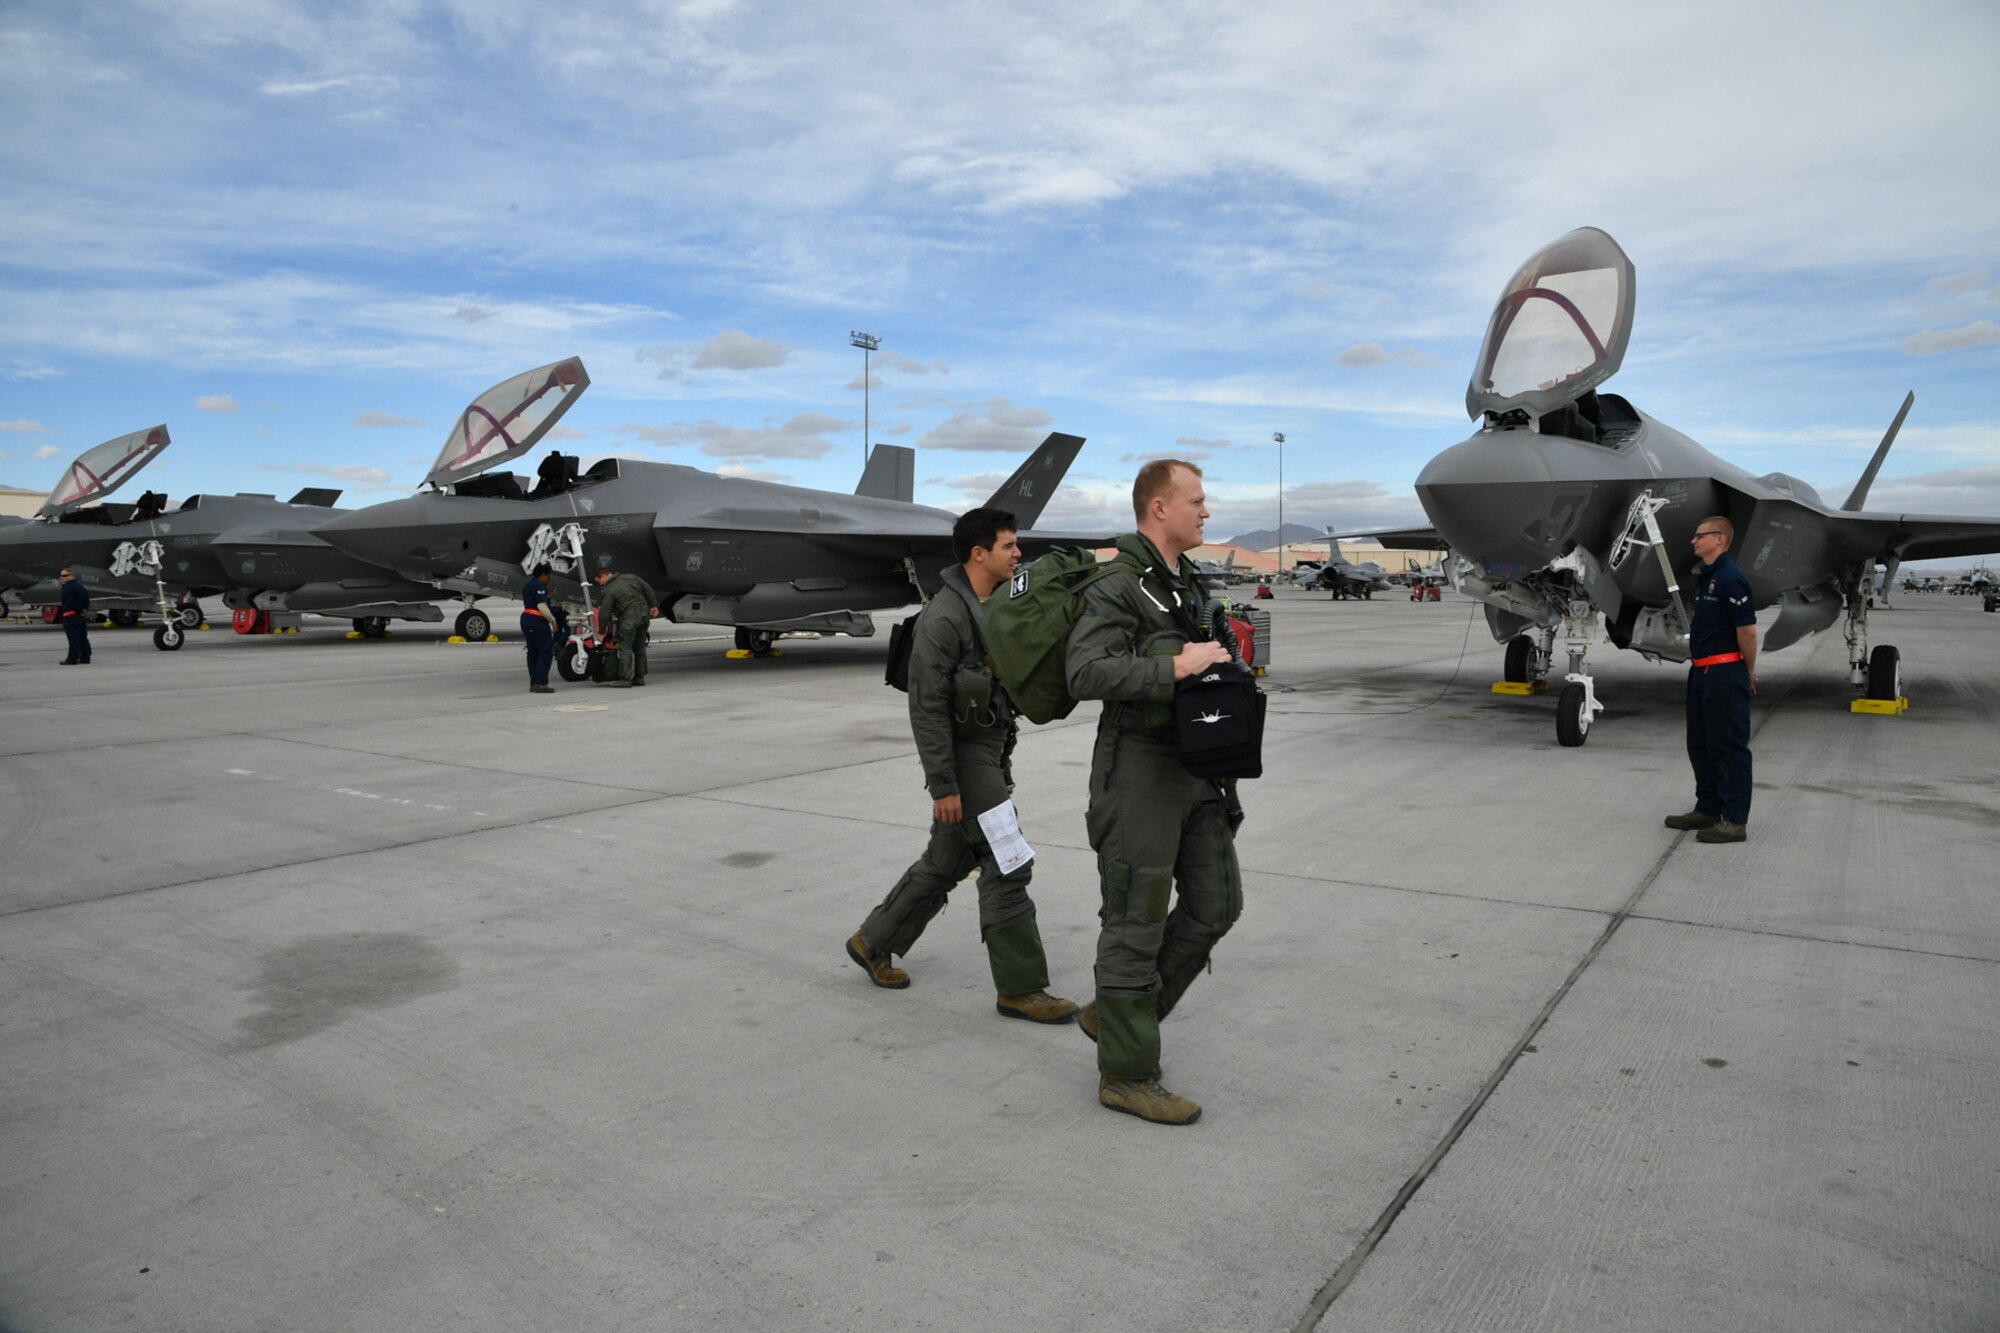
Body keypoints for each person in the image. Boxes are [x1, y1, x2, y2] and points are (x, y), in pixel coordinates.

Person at [847, 508, 1079, 1025]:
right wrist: (943, 785)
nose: (1018, 554)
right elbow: (926, 708)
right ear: (979, 554)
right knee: (1008, 859)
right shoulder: (945, 618)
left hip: (991, 749)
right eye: (1008, 546)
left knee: (948, 859)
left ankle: (873, 941)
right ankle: (1021, 989)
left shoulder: (996, 605)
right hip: (964, 758)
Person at [1065, 460, 1240, 1125]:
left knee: (1217, 904)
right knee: (1135, 923)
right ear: (1159, 508)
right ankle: (1128, 1073)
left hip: (1197, 767)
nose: (1206, 511)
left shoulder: (1186, 584)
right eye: (1197, 500)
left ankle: (1116, 1015)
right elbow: (1084, 670)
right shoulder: (1119, 584)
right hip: (1138, 773)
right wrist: (1177, 664)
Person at [1665, 515, 1758, 844]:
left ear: (1719, 539)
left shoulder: (1731, 578)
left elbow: (1746, 631)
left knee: (1729, 746)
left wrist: (1747, 670)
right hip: (1701, 672)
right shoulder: (1708, 578)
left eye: (1699, 535)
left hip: (1723, 672)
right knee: (1700, 744)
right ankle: (1708, 807)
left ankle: (1734, 820)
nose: (1693, 540)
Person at [591, 567, 659, 688]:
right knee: (640, 647)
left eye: (599, 581)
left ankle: (625, 679)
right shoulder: (631, 577)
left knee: (625, 647)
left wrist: (601, 631)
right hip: (644, 617)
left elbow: (605, 612)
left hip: (630, 619)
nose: (600, 584)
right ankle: (639, 677)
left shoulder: (609, 589)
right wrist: (653, 605)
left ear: (604, 577)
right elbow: (647, 588)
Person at [520, 564, 563, 694]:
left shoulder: (528, 585)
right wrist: (553, 621)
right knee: (545, 651)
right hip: (537, 621)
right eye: (549, 576)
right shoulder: (539, 586)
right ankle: (540, 682)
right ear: (543, 575)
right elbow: (541, 606)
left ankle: (534, 682)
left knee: (533, 653)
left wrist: (547, 594)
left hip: (526, 619)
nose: (549, 579)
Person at [57, 567, 92, 665]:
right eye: (61, 575)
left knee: (73, 638)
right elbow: (86, 599)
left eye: (64, 575)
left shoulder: (67, 588)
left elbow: (70, 602)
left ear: (72, 576)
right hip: (80, 617)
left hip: (71, 616)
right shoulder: (80, 587)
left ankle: (72, 658)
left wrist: (79, 609)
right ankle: (85, 657)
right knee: (83, 638)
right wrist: (83, 610)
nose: (62, 578)